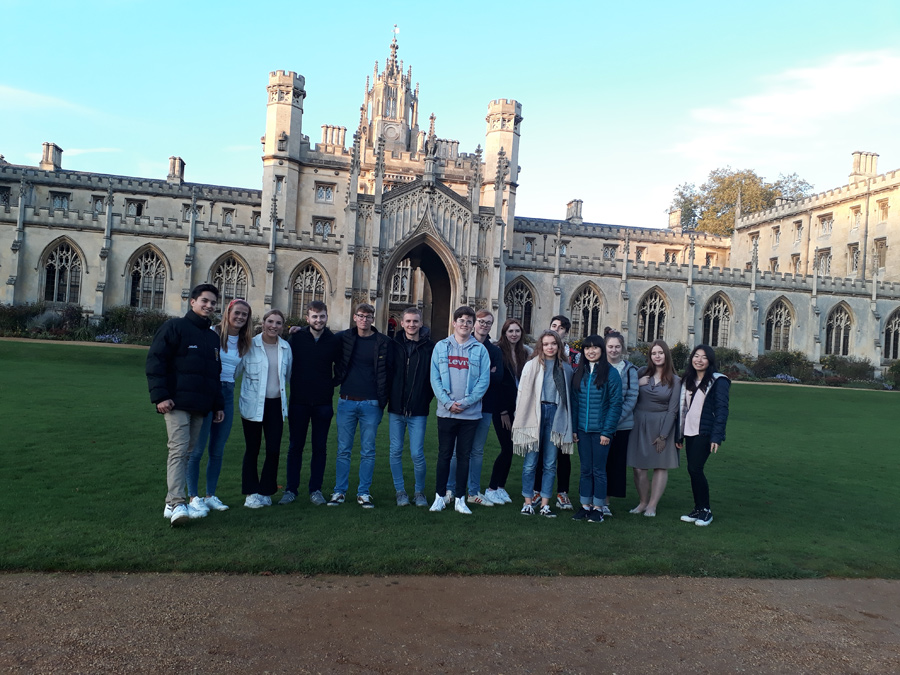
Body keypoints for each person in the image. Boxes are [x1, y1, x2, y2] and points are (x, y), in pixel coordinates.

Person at [146, 283, 225, 526]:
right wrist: (160, 396)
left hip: (200, 406)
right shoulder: (175, 327)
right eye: (205, 301)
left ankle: (171, 503)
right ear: (192, 301)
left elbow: (214, 373)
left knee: (188, 453)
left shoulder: (212, 337)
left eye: (213, 302)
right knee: (178, 450)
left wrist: (218, 404)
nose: (209, 306)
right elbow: (156, 361)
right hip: (176, 403)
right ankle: (179, 503)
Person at [185, 298, 252, 514]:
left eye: (245, 315)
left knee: (217, 449)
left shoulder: (244, 342)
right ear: (228, 312)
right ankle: (193, 496)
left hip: (227, 392)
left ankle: (211, 495)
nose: (240, 317)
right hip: (207, 392)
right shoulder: (211, 333)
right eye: (237, 313)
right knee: (196, 449)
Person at [329, 303, 395, 508]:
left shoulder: (383, 341)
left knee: (368, 451)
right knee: (343, 450)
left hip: (371, 404)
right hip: (347, 401)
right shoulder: (344, 338)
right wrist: (298, 330)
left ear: (373, 319)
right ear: (354, 317)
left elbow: (391, 370)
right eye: (361, 316)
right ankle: (339, 491)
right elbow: (320, 339)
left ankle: (363, 493)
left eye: (368, 316)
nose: (364, 320)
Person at [428, 306, 491, 515]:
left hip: (470, 414)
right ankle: (439, 497)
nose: (465, 324)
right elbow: (434, 378)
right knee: (444, 455)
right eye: (461, 320)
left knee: (464, 456)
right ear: (454, 323)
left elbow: (483, 381)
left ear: (473, 326)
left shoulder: (480, 350)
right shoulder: (441, 347)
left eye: (469, 321)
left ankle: (460, 498)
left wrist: (464, 403)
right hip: (446, 413)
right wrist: (448, 403)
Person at [279, 301, 341, 506]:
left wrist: (329, 384)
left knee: (319, 448)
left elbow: (341, 368)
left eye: (322, 316)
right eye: (314, 316)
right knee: (295, 446)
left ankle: (315, 489)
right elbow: (284, 364)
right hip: (299, 401)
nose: (318, 320)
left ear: (326, 317)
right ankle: (291, 490)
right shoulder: (296, 339)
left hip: (323, 403)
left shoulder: (333, 341)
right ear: (307, 318)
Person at [513, 330, 575, 518]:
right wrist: (520, 418)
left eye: (553, 343)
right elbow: (522, 392)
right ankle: (528, 502)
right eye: (546, 344)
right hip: (535, 413)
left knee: (550, 463)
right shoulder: (531, 365)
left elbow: (569, 398)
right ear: (541, 346)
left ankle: (545, 504)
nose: (550, 347)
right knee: (531, 463)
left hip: (555, 415)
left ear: (558, 346)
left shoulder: (566, 368)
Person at [448, 309, 505, 506]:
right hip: (462, 404)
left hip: (485, 407)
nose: (484, 325)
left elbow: (498, 377)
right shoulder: (462, 345)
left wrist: (480, 375)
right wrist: (485, 373)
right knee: (457, 450)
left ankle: (472, 491)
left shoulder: (495, 351)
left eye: (488, 322)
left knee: (477, 451)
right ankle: (451, 489)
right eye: (481, 321)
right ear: (474, 324)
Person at [239, 309, 292, 508]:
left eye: (278, 323)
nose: (274, 326)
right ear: (263, 322)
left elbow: (287, 375)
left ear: (282, 326)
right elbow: (237, 370)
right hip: (253, 404)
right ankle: (251, 492)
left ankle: (267, 490)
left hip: (276, 405)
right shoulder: (250, 345)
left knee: (273, 449)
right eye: (270, 321)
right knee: (252, 449)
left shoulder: (286, 348)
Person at [676, 345, 731, 527]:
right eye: (696, 356)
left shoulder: (718, 381)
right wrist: (679, 435)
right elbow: (683, 409)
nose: (699, 360)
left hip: (705, 432)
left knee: (695, 469)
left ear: (710, 361)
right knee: (692, 470)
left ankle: (706, 510)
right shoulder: (688, 380)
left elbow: (722, 410)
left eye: (704, 357)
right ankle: (698, 508)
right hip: (690, 431)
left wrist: (717, 436)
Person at [570, 335, 623, 523]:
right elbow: (575, 403)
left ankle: (599, 508)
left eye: (595, 348)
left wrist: (607, 432)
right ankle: (585, 506)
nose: (590, 351)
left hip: (601, 432)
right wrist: (575, 429)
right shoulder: (580, 372)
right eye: (587, 348)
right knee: (585, 469)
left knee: (598, 470)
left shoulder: (611, 373)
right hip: (583, 431)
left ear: (601, 350)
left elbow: (616, 404)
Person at [387, 306, 435, 507]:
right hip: (396, 409)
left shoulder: (430, 348)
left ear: (421, 323)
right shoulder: (393, 344)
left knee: (417, 453)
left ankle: (419, 492)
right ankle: (400, 492)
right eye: (408, 321)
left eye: (415, 321)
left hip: (418, 410)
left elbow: (434, 379)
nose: (411, 325)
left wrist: (424, 399)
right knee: (395, 451)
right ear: (402, 322)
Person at [627, 340, 680, 517]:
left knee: (660, 466)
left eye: (660, 353)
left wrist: (664, 436)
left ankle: (652, 505)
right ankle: (642, 502)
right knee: (638, 468)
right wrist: (637, 382)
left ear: (666, 355)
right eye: (654, 353)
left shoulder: (675, 380)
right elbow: (624, 386)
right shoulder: (640, 372)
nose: (657, 356)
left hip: (662, 425)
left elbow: (673, 410)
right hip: (638, 423)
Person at [485, 318, 532, 505]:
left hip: (517, 408)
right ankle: (491, 488)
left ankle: (501, 487)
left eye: (517, 331)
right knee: (507, 447)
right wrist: (503, 411)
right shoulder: (498, 352)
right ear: (504, 333)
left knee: (511, 448)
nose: (514, 334)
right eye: (510, 331)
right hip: (501, 408)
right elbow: (497, 384)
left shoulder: (524, 353)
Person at [533, 315, 575, 510]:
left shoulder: (574, 356)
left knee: (563, 454)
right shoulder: (540, 355)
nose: (556, 329)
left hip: (562, 409)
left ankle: (562, 492)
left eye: (560, 327)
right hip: (543, 408)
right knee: (541, 452)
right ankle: (538, 490)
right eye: (553, 326)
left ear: (565, 332)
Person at [603, 331, 639, 515]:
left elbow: (632, 397)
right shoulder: (598, 367)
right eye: (610, 346)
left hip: (621, 425)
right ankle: (594, 500)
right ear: (605, 347)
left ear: (622, 348)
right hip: (599, 425)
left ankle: (606, 503)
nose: (614, 350)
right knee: (599, 464)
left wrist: (614, 419)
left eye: (617, 346)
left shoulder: (630, 370)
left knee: (615, 464)